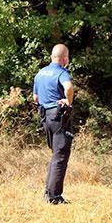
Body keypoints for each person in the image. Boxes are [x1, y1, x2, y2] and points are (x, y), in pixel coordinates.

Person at [33, 44, 75, 204]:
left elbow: (35, 98)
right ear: (65, 58)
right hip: (58, 117)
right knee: (61, 155)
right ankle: (54, 197)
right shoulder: (61, 72)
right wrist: (68, 101)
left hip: (45, 116)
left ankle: (49, 192)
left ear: (52, 56)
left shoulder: (40, 73)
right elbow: (69, 87)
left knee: (56, 154)